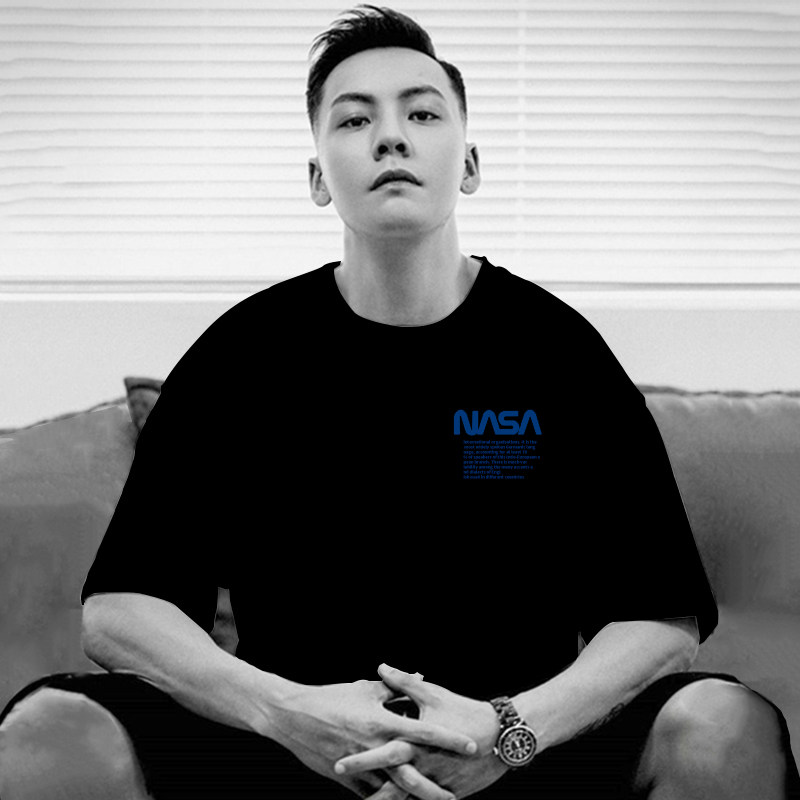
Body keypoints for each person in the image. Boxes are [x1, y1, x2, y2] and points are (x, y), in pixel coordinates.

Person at [0, 5, 797, 799]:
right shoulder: (241, 355)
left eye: (421, 113)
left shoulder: (559, 351)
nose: (390, 137)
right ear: (319, 179)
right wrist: (286, 713)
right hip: (290, 751)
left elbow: (662, 618)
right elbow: (120, 610)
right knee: (51, 729)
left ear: (469, 164)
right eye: (354, 120)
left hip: (519, 752)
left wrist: (507, 730)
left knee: (721, 726)